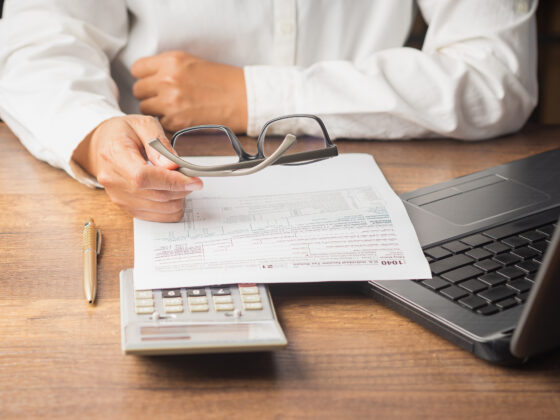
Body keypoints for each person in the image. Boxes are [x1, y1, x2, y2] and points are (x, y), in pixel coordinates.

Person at [0, 1, 538, 222]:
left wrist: (249, 95)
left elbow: (496, 75)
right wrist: (94, 135)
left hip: (378, 192)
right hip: (145, 189)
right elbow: (42, 36)